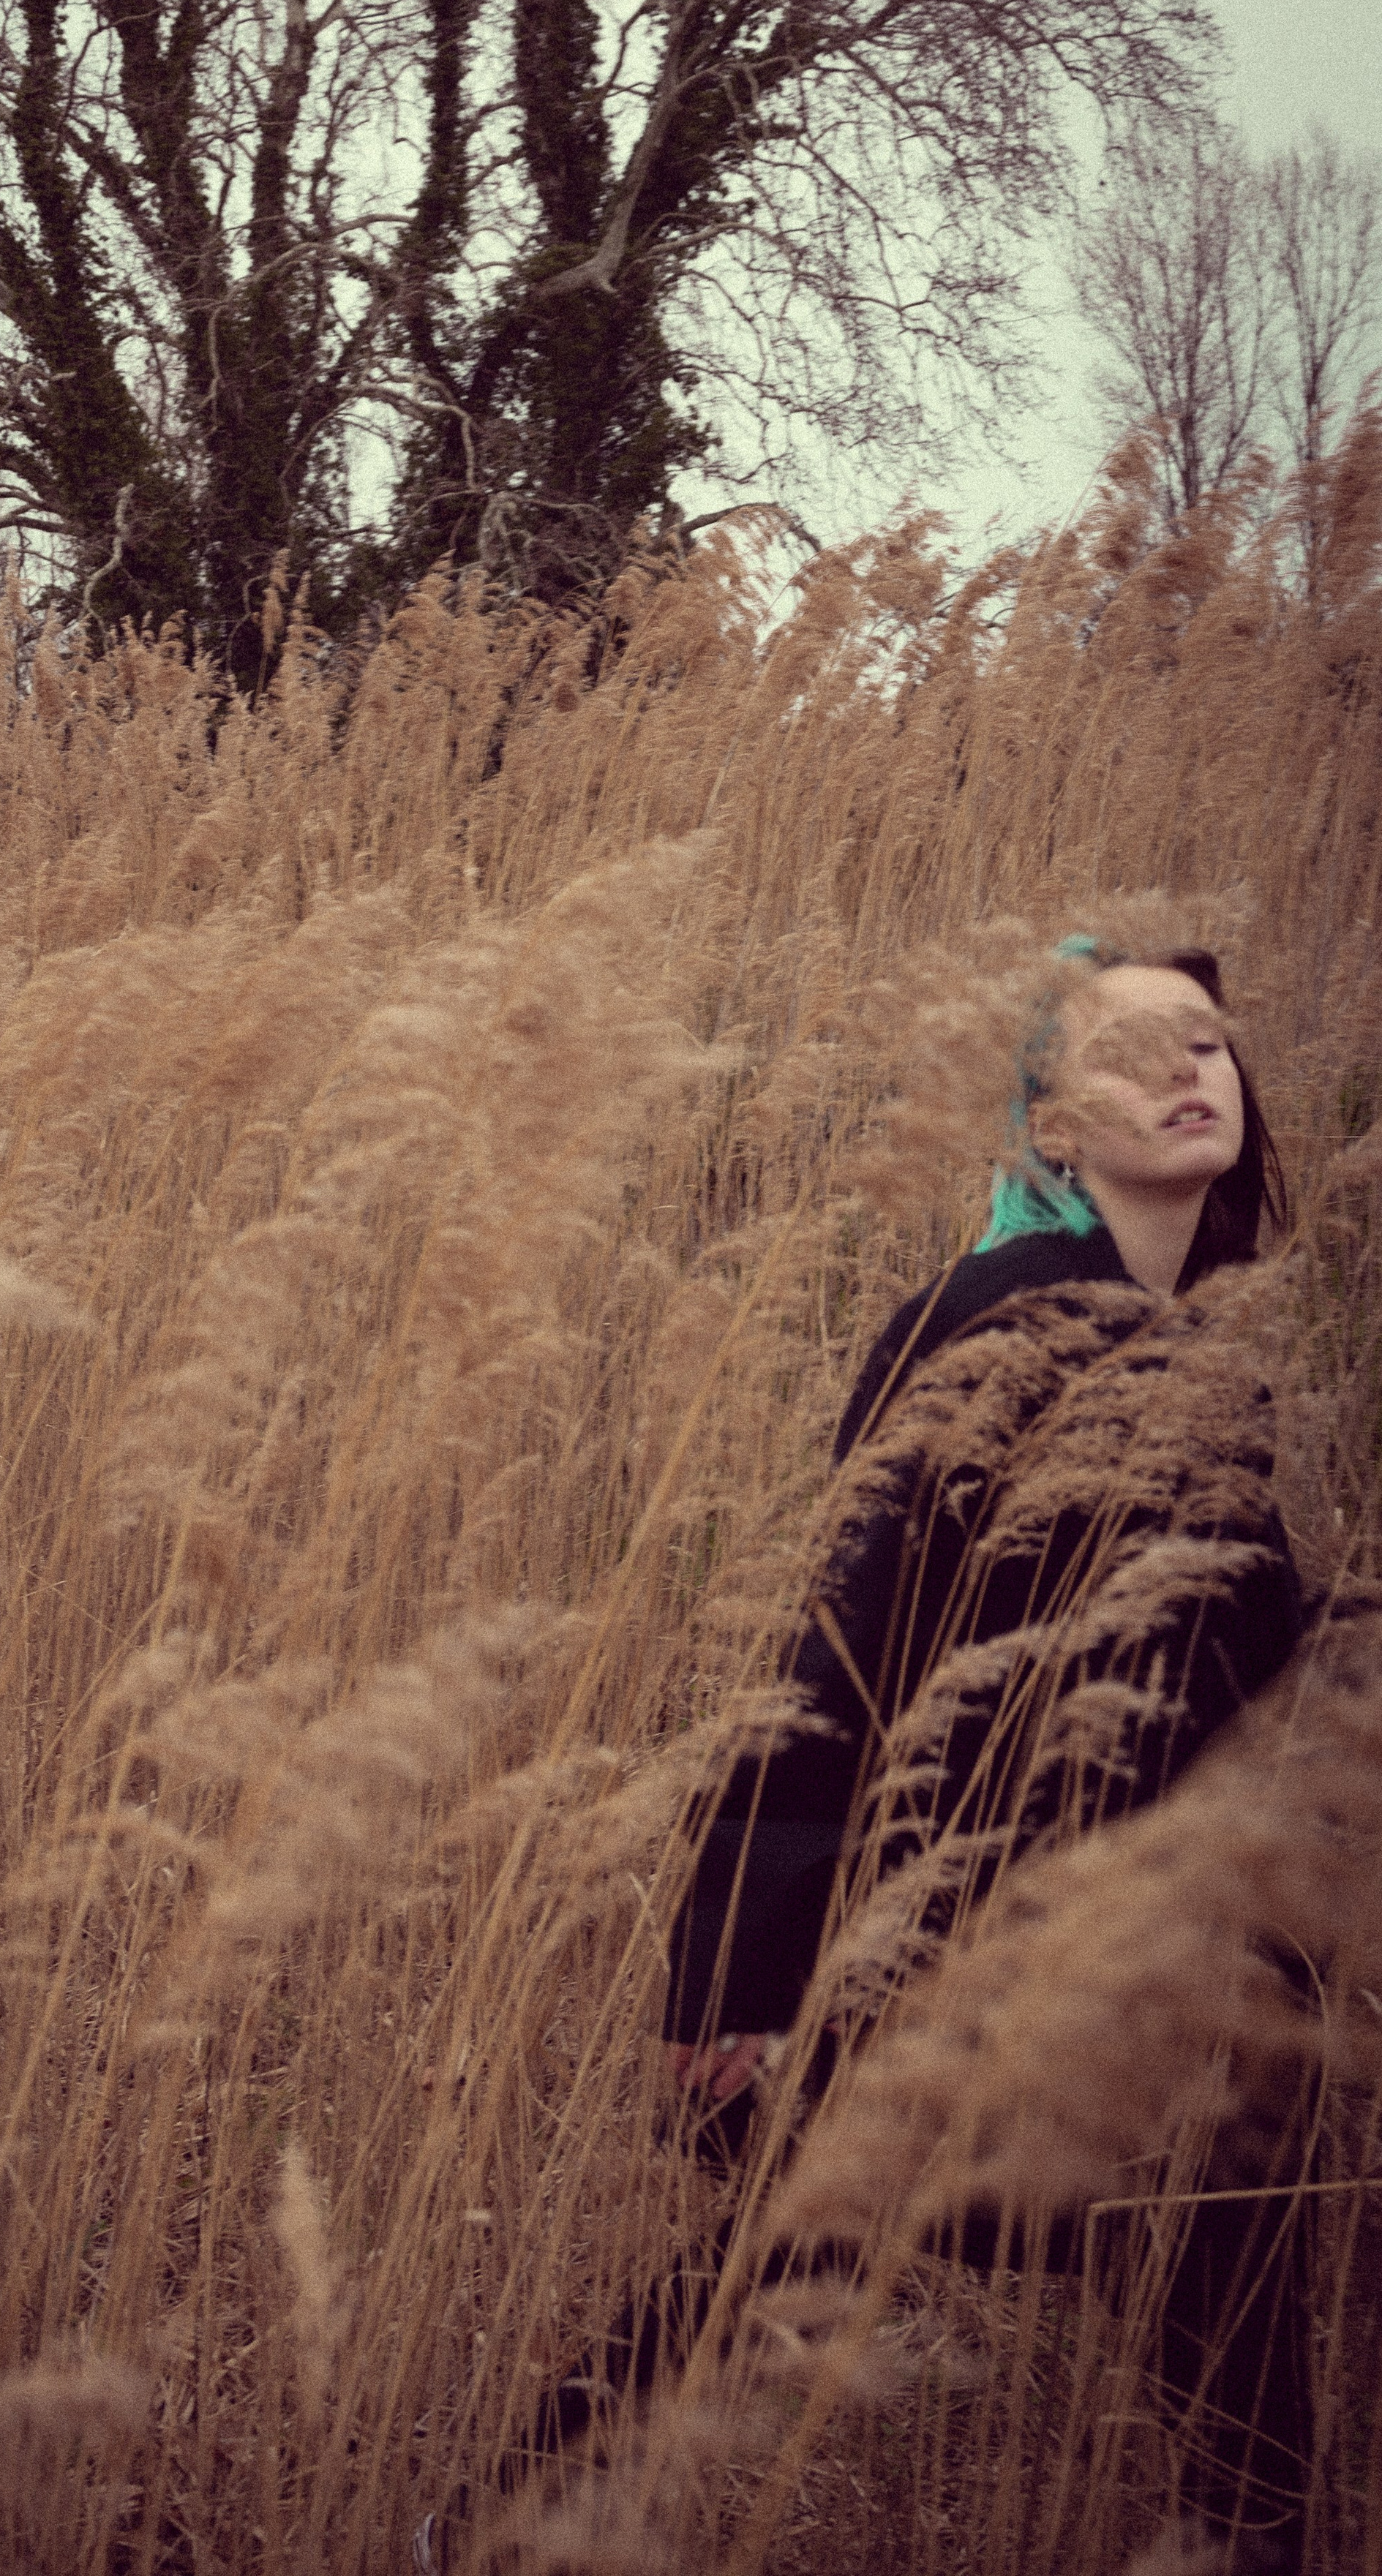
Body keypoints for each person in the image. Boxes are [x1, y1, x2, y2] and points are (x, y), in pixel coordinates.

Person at [416, 941, 1312, 2575]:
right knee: (831, 2248)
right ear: (1049, 1125)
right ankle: (490, 2533)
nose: (1192, 1071)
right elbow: (835, 1648)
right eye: (1131, 1052)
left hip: (1128, 1943)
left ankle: (488, 2531)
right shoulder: (1000, 1320)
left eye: (1208, 1041)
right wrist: (736, 1974)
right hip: (963, 1938)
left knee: (1199, 2239)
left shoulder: (1195, 1357)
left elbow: (1221, 1676)